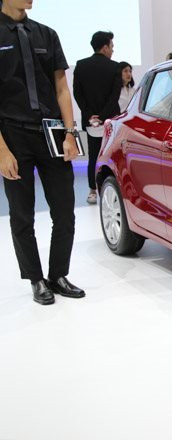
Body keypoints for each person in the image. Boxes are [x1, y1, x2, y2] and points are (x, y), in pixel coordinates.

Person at [0, 0, 85, 304]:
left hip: (51, 132)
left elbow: (61, 88)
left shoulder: (46, 34)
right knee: (22, 215)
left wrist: (70, 133)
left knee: (64, 210)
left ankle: (58, 274)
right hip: (12, 133)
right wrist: (2, 151)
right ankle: (36, 279)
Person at [73, 31, 121, 204]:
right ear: (105, 47)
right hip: (110, 120)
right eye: (112, 46)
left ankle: (92, 191)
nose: (113, 50)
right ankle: (113, 189)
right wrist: (103, 116)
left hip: (90, 121)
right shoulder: (115, 67)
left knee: (93, 156)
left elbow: (78, 94)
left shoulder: (81, 65)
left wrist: (89, 115)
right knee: (111, 155)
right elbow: (114, 96)